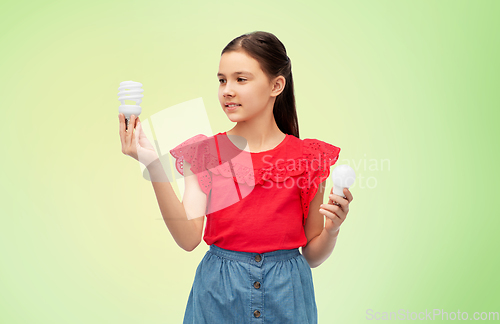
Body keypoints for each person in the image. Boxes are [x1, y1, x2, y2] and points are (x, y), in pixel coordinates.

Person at [118, 31, 354, 324]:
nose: (227, 90)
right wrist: (154, 166)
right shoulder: (204, 154)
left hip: (288, 297)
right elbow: (189, 238)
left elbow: (312, 256)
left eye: (241, 79)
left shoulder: (309, 158)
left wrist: (332, 229)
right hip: (217, 296)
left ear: (276, 85)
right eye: (222, 80)